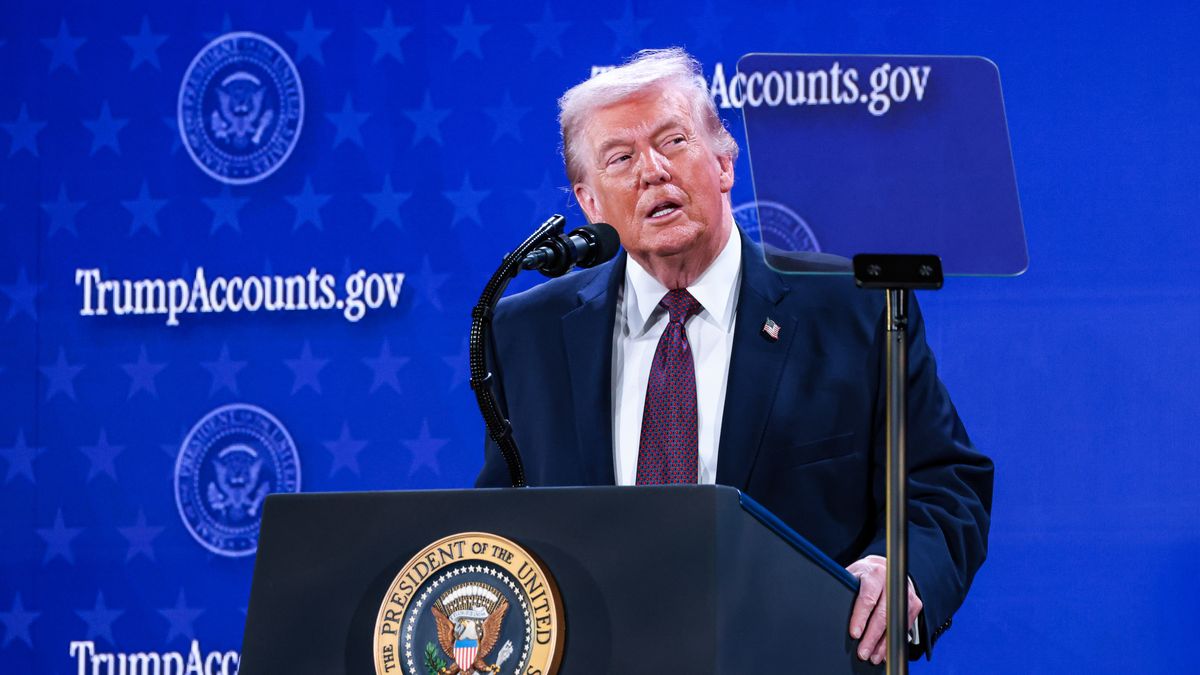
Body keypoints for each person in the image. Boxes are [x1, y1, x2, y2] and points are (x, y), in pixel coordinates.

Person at [475, 47, 992, 663]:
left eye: (673, 142)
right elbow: (500, 518)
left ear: (724, 163)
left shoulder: (854, 309)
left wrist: (899, 567)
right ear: (589, 204)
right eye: (621, 158)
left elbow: (941, 482)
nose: (652, 171)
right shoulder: (526, 332)